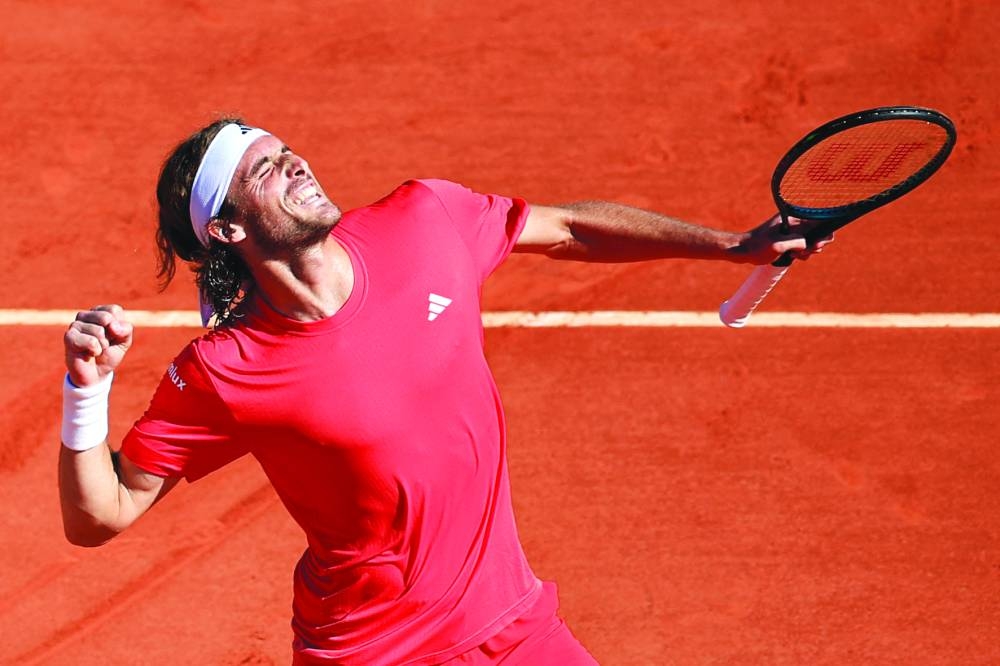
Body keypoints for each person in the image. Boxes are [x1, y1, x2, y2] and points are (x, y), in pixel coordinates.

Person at [58, 118, 830, 665]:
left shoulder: (423, 221)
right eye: (265, 170)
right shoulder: (227, 367)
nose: (296, 165)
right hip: (374, 650)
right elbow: (104, 513)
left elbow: (565, 228)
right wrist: (84, 391)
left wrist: (731, 245)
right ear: (227, 231)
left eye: (288, 150)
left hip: (516, 626)